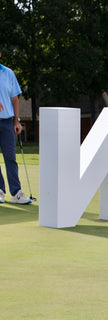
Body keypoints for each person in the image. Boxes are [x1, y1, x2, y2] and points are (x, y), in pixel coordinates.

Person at [0, 47, 31, 205]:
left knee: (10, 157)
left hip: (7, 121)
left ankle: (16, 193)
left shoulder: (8, 73)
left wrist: (17, 120)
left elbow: (15, 99)